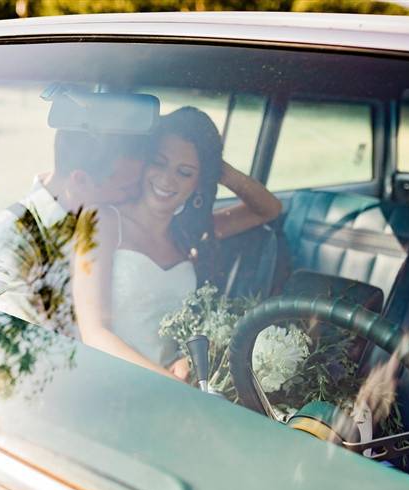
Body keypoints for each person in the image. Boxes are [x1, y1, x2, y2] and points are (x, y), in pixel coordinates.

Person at [73, 107, 282, 380]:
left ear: (199, 182)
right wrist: (164, 380)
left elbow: (269, 209)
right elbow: (93, 332)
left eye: (184, 172)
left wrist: (217, 167)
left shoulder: (191, 233)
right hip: (109, 378)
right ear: (146, 162)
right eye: (159, 163)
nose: (166, 179)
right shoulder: (101, 220)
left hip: (173, 384)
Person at [0, 129, 150, 335]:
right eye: (126, 188)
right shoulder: (12, 239)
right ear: (80, 181)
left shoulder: (122, 220)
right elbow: (23, 342)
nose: (136, 195)